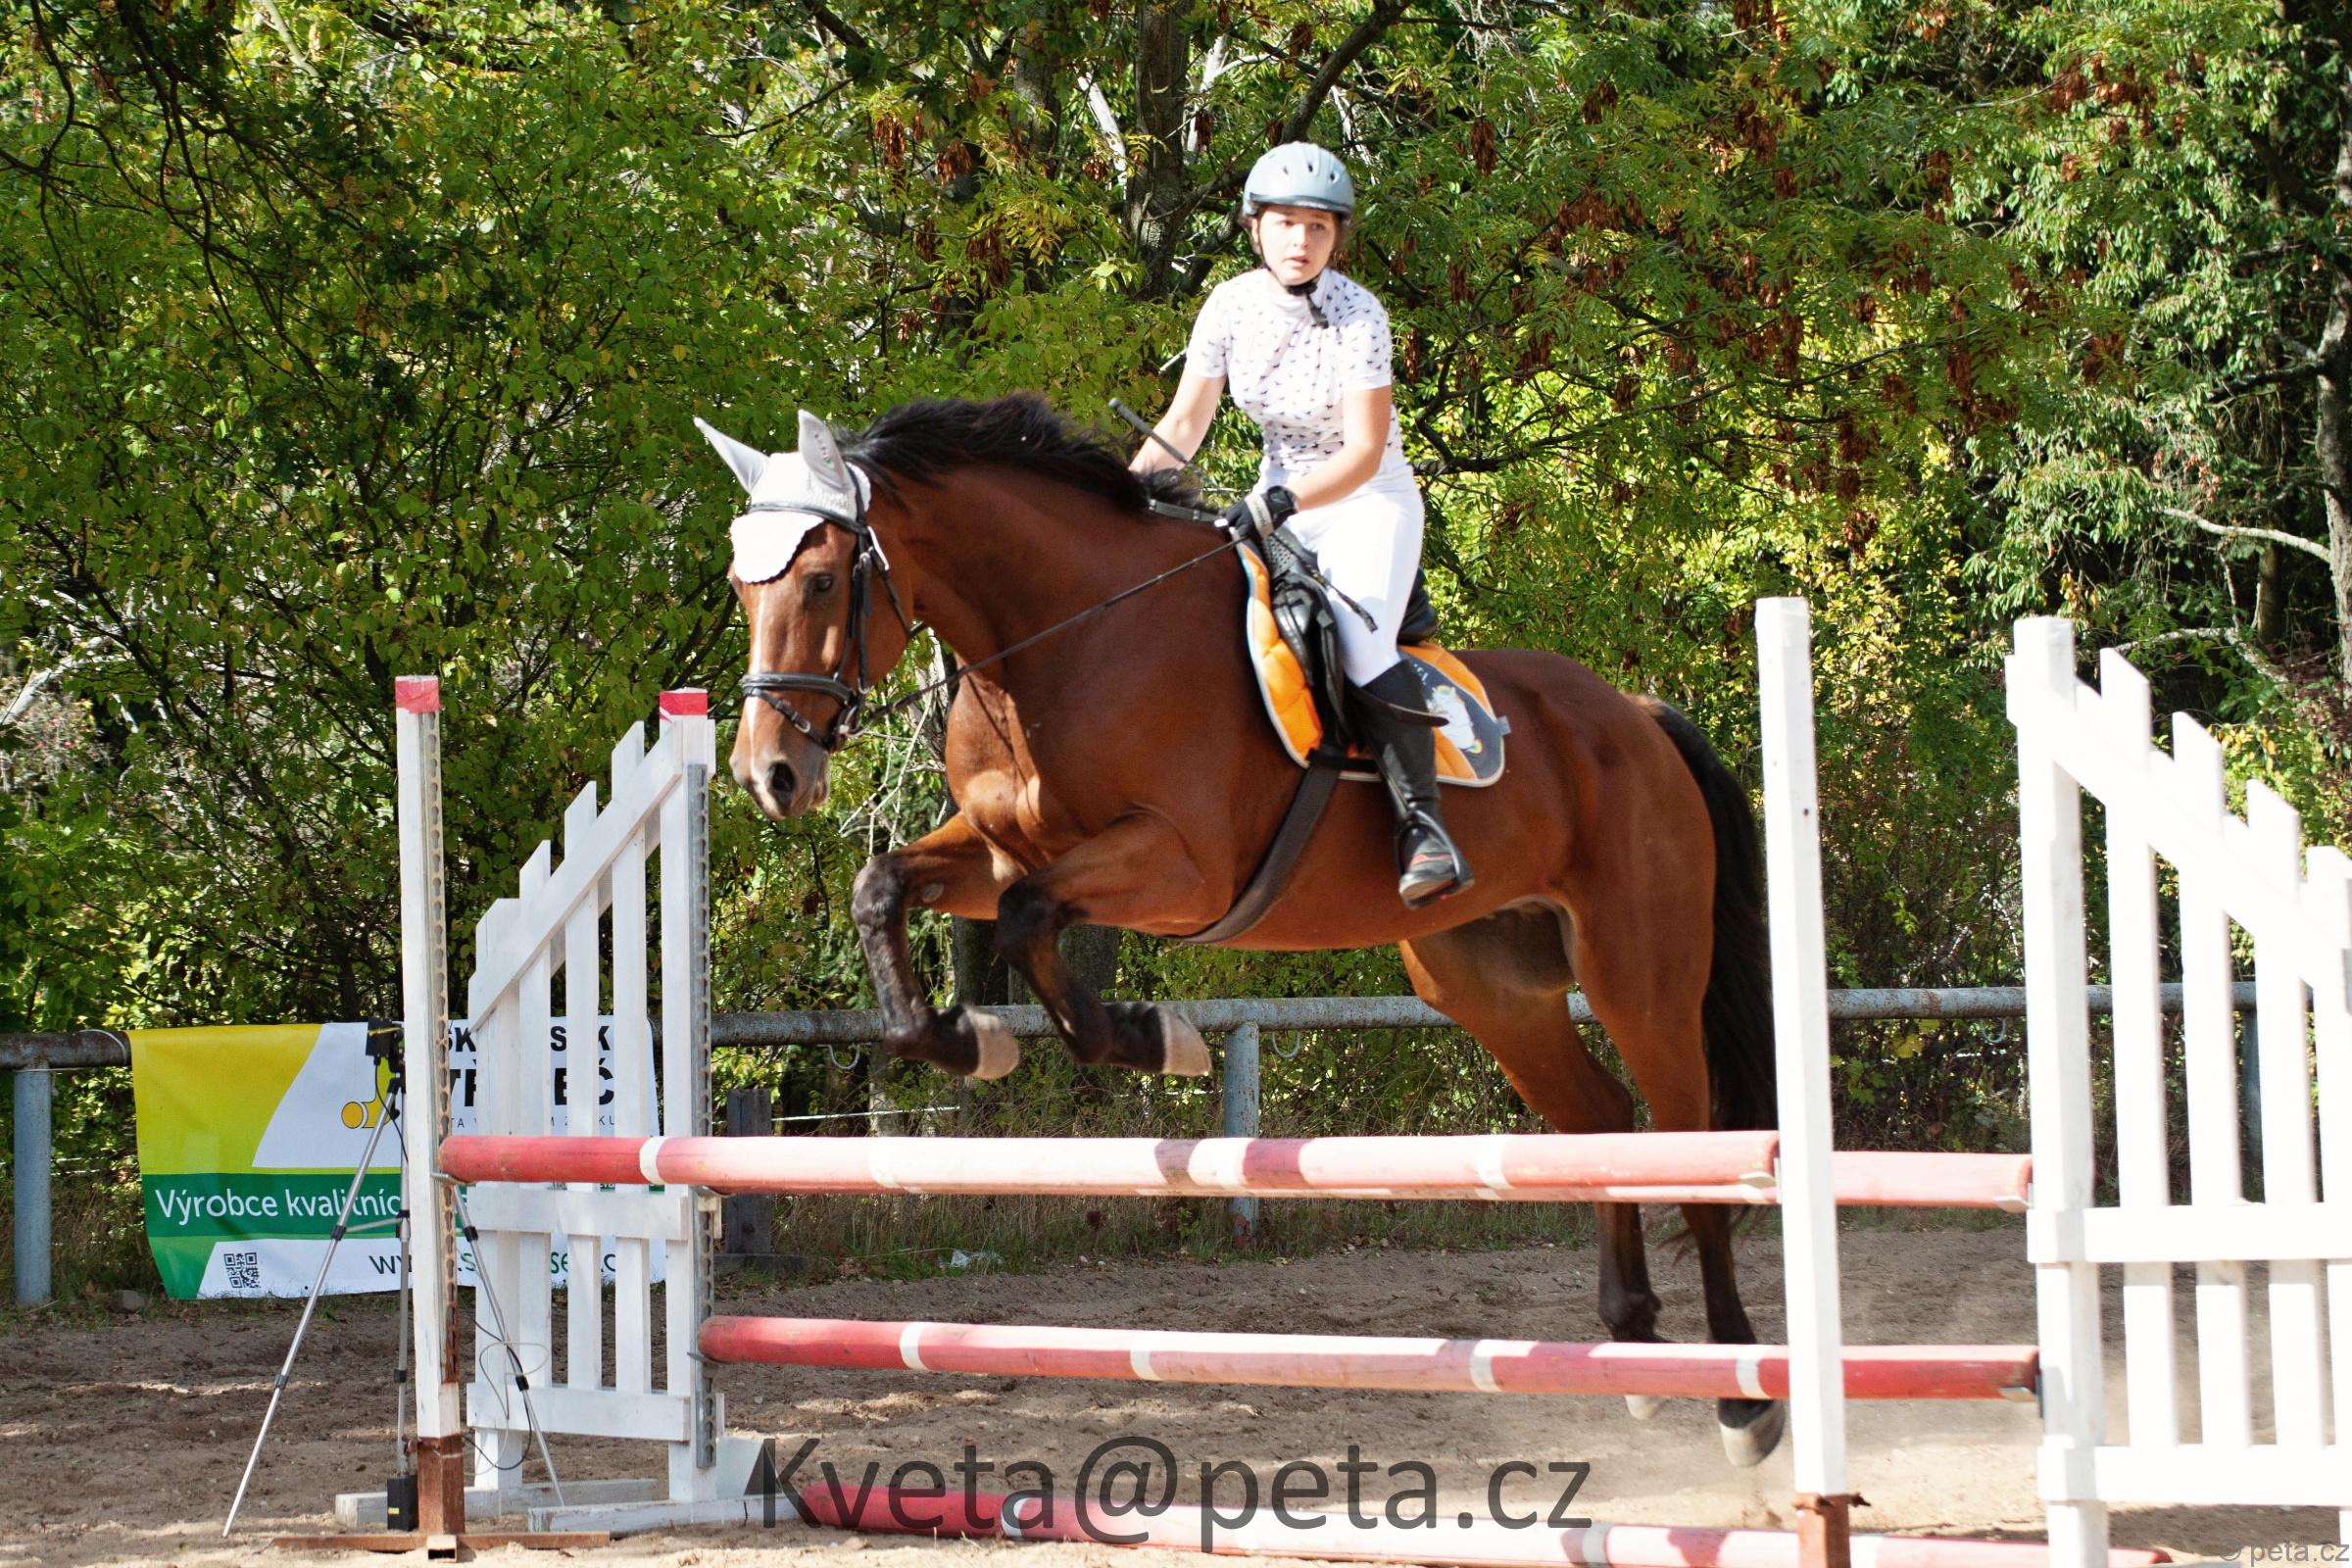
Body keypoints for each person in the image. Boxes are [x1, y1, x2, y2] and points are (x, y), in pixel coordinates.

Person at [1130, 141, 1472, 908]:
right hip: (1276, 496)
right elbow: (1184, 422)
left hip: (1365, 502)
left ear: (1336, 238)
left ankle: (1424, 828)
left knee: (1358, 641)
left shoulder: (1359, 314)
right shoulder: (1229, 306)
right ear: (1255, 227)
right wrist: (1121, 496)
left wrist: (1280, 503)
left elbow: (1363, 451)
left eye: (1318, 227)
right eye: (1286, 223)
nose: (1301, 240)